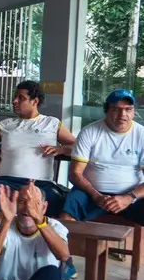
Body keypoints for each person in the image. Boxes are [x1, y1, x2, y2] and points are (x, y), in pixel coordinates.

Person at [0, 81, 76, 218]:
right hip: (6, 181)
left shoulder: (51, 123)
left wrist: (61, 149)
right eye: (15, 97)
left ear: (35, 101)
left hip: (40, 183)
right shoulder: (6, 124)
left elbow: (77, 146)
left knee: (61, 207)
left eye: (21, 98)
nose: (15, 101)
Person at [62, 89, 144, 229]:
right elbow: (75, 174)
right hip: (91, 193)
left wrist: (129, 197)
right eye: (116, 109)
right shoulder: (89, 132)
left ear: (133, 111)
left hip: (132, 194)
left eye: (128, 109)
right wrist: (96, 196)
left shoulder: (141, 134)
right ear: (106, 111)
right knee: (66, 216)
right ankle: (67, 244)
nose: (122, 114)